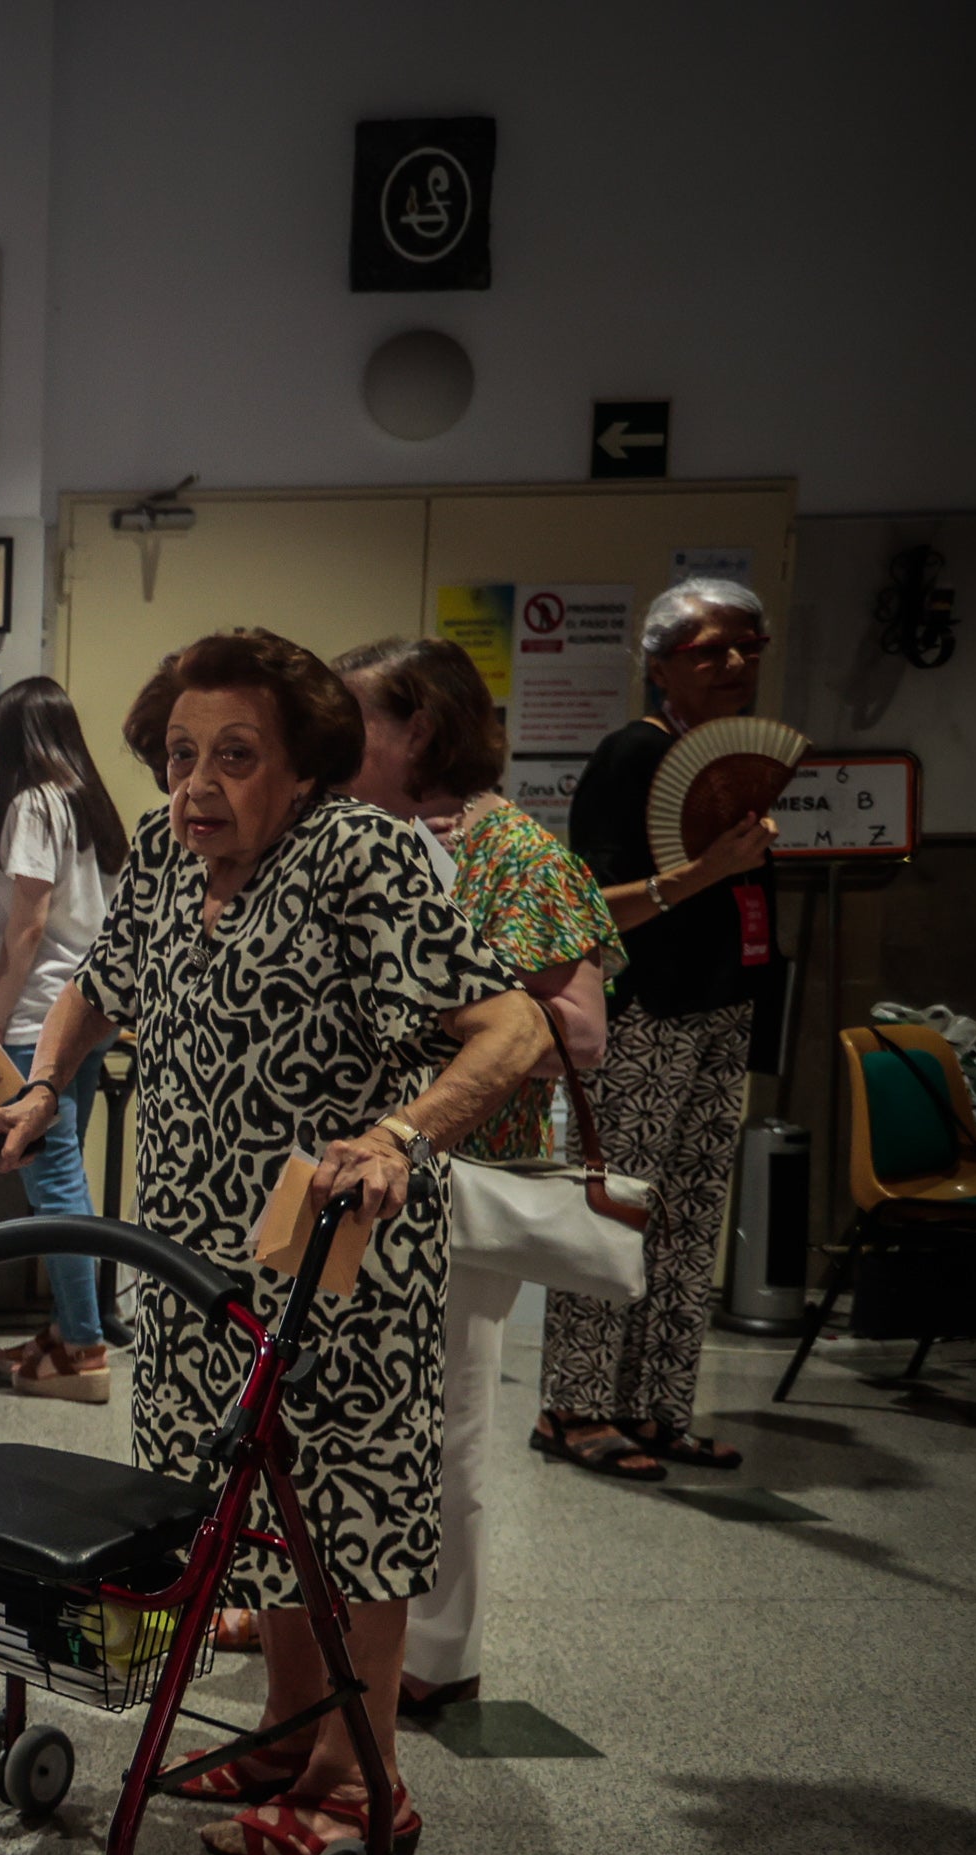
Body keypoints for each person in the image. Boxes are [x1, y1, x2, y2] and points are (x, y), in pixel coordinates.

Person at [0, 631, 544, 1855]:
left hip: (335, 1268)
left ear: (300, 767)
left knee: (344, 1509)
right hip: (187, 1270)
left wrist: (399, 1132)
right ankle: (288, 1734)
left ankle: (360, 1776)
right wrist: (37, 1084)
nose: (195, 785)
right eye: (179, 754)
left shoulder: (362, 855)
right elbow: (96, 981)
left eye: (233, 756)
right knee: (244, 1507)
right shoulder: (173, 867)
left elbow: (510, 1029)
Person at [338, 637, 620, 1715]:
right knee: (358, 1416)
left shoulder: (515, 855)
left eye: (356, 718)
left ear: (420, 729)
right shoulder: (372, 841)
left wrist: (460, 1021)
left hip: (459, 1177)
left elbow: (581, 1034)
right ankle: (344, 1618)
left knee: (445, 1417)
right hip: (367, 1174)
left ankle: (435, 1654)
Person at [539, 579, 783, 1481]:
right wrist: (705, 870)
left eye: (749, 647)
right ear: (659, 665)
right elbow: (588, 906)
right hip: (647, 1014)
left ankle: (658, 1405)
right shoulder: (628, 758)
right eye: (711, 650)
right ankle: (573, 1403)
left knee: (688, 1221)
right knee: (613, 1210)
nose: (734, 664)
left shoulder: (730, 759)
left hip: (725, 1005)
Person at [0, 676, 131, 1401]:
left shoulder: (34, 802)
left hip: (40, 1017)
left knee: (55, 1183)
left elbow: (29, 926)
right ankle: (71, 1329)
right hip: (87, 1015)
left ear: (18, 737)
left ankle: (85, 1348)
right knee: (63, 1177)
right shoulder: (84, 800)